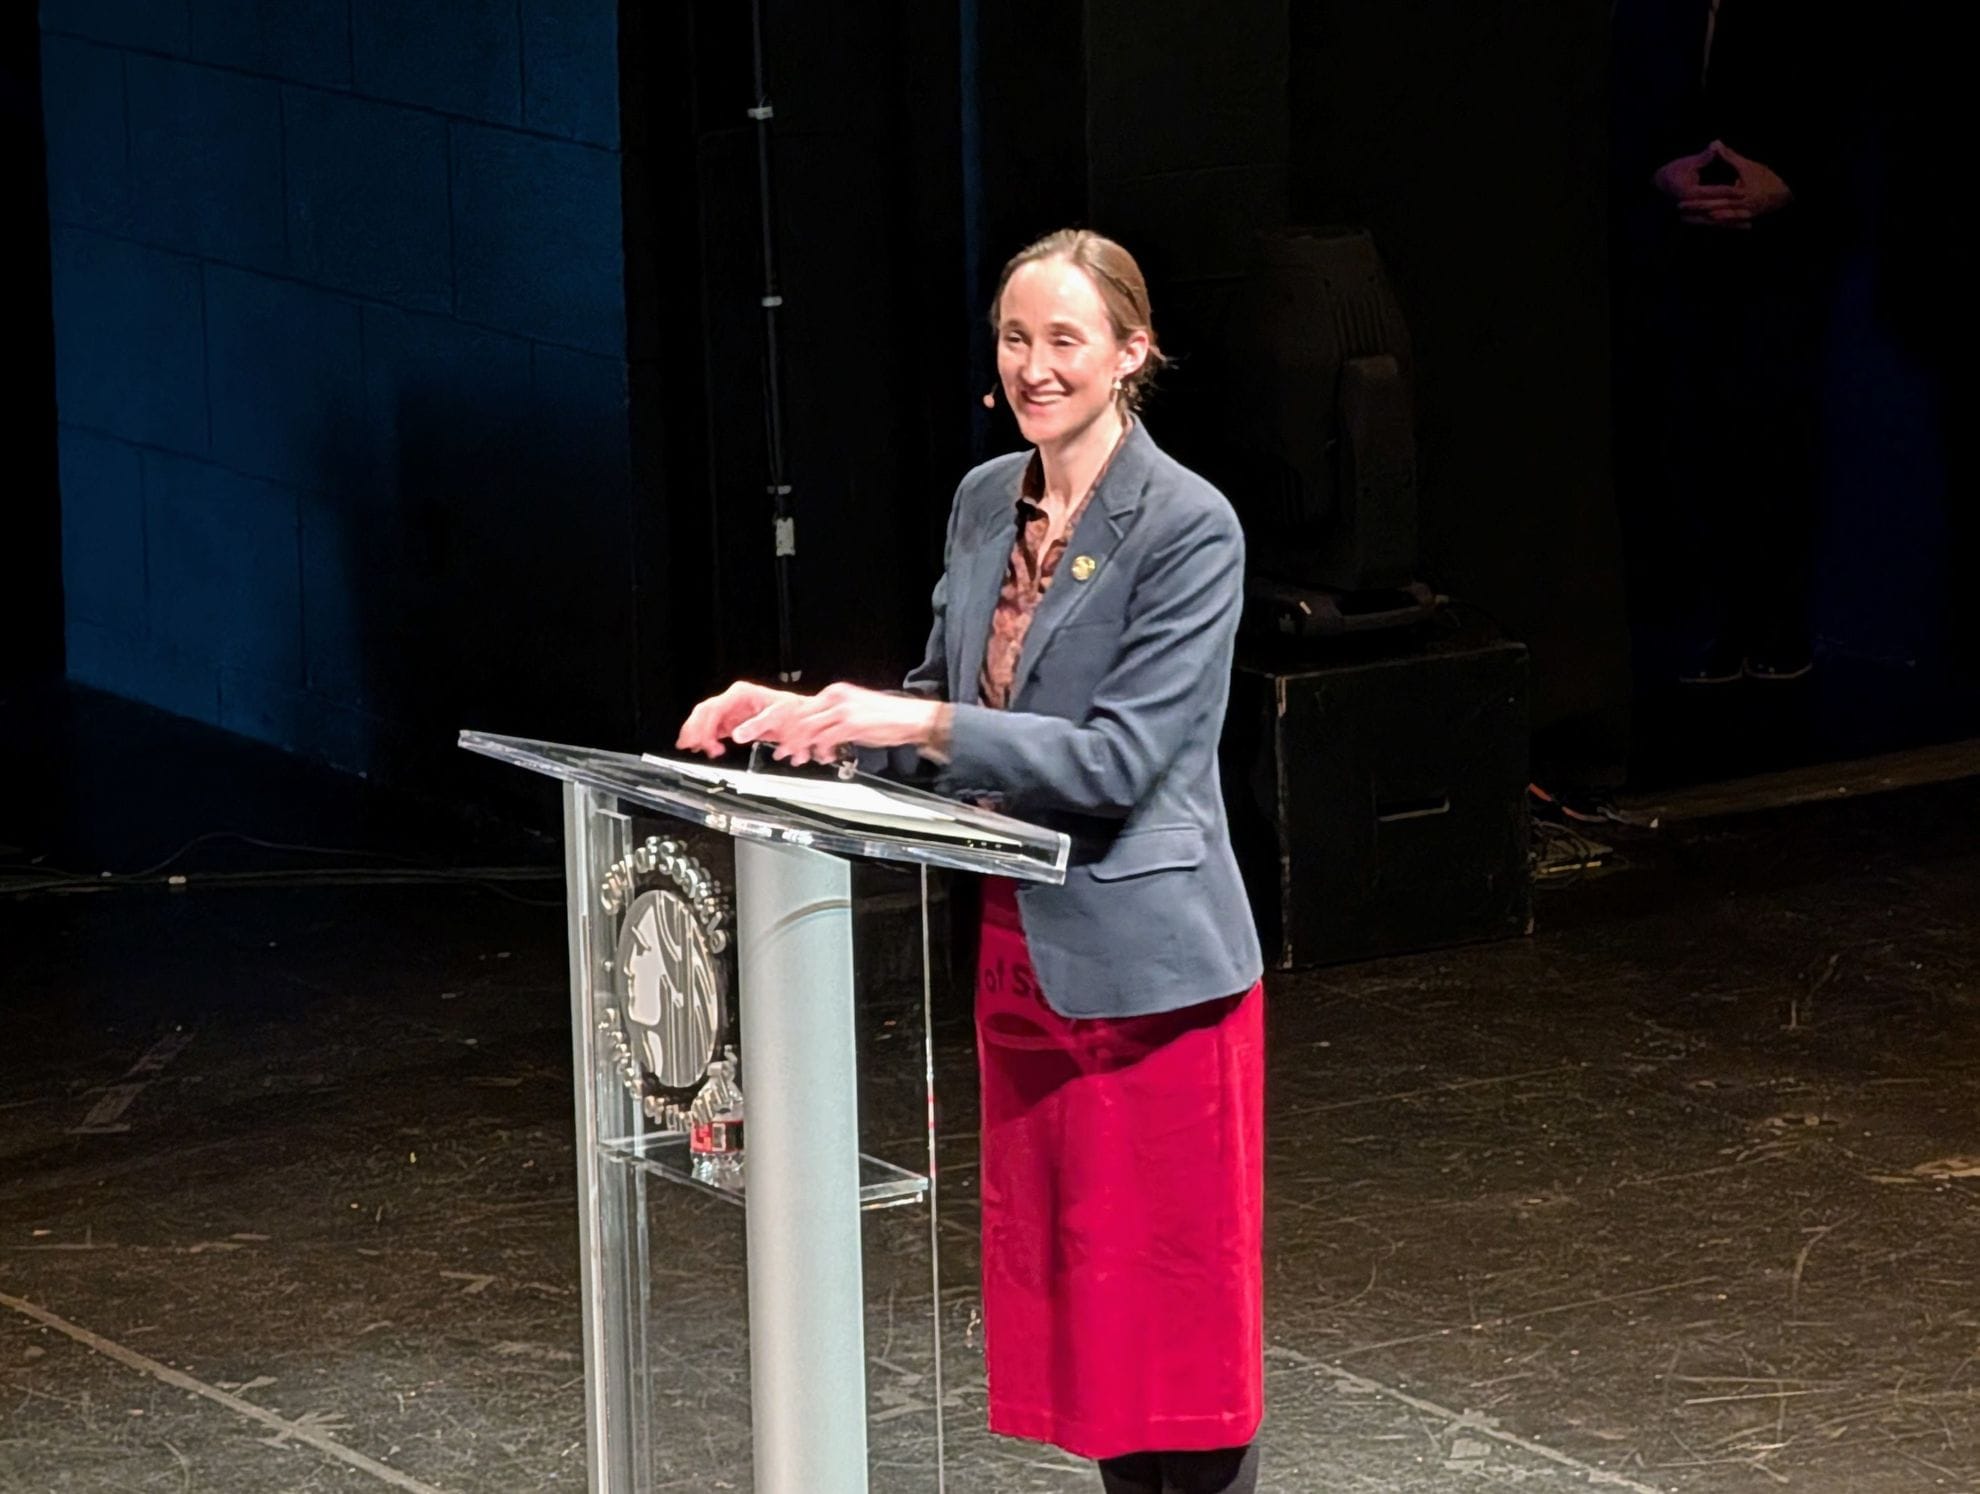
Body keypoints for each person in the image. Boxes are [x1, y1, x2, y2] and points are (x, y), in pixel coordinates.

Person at [678, 229, 1266, 1494]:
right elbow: (945, 718)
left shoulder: (1188, 526)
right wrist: (799, 731)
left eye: (1065, 340)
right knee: (1096, 1334)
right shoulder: (985, 497)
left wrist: (914, 719)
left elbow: (1116, 764)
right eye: (1016, 338)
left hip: (1154, 979)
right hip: (1021, 958)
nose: (1036, 367)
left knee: (1178, 1336)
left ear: (1131, 352)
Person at [1612, 0, 1843, 685]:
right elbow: (1625, 95)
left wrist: (1788, 180)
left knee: (1776, 426)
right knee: (1686, 430)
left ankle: (1776, 624)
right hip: (1672, 247)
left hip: (1786, 249)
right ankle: (1710, 625)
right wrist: (1662, 169)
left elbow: (1848, 95)